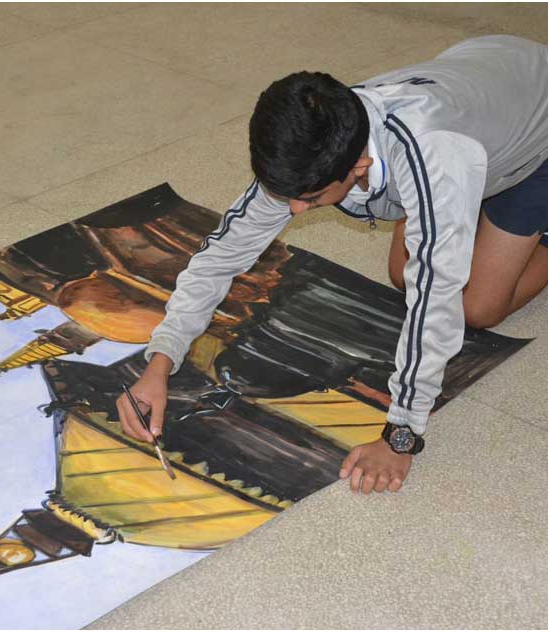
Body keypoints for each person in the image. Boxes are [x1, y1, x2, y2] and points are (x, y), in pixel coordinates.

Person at [116, 35, 548, 495]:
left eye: (312, 198)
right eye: (288, 196)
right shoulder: (314, 142)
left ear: (359, 165)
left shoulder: (433, 153)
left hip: (535, 136)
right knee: (403, 272)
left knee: (475, 308)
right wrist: (160, 363)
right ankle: (457, 212)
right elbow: (221, 256)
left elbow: (435, 296)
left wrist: (400, 435)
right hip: (487, 77)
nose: (296, 210)